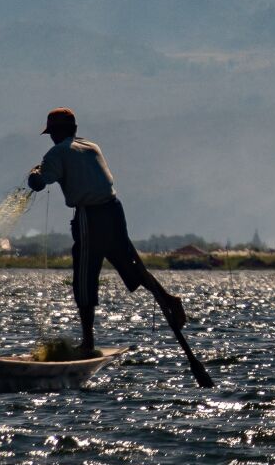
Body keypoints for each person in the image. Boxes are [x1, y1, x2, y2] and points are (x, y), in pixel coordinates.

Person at [26, 107, 187, 351]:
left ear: (56, 133)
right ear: (75, 130)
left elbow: (38, 183)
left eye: (51, 133)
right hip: (114, 210)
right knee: (131, 264)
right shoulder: (92, 146)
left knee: (84, 277)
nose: (51, 137)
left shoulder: (55, 154)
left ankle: (88, 342)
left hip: (90, 216)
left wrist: (34, 172)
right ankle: (167, 298)